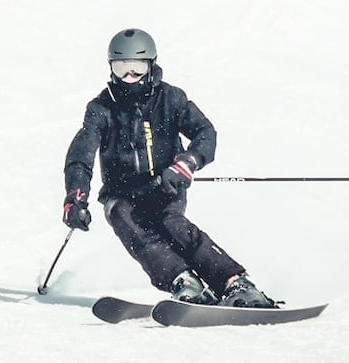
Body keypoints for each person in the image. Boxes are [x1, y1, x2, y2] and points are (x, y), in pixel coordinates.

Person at [61, 28, 277, 308]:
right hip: (122, 192)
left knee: (172, 224)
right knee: (121, 215)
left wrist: (187, 163)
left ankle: (235, 282)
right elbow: (81, 154)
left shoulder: (170, 99)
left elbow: (205, 133)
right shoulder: (102, 108)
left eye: (137, 68)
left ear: (151, 66)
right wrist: (75, 196)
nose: (129, 77)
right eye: (121, 68)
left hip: (166, 185)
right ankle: (184, 281)